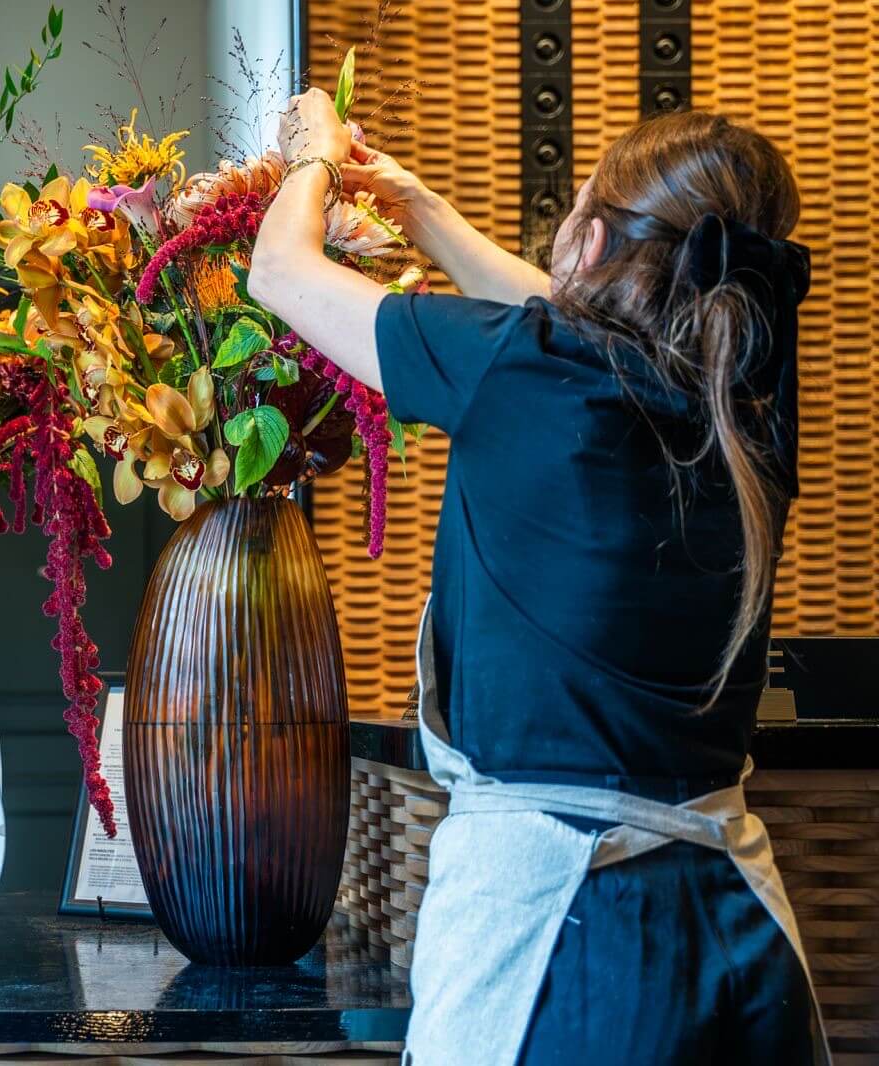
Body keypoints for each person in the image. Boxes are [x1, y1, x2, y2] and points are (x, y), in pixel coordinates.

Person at [249, 91, 825, 1066]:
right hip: (736, 931)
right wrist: (419, 207)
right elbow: (564, 315)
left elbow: (280, 272)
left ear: (590, 242)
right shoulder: (745, 405)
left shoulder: (518, 367)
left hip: (569, 927)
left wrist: (308, 156)